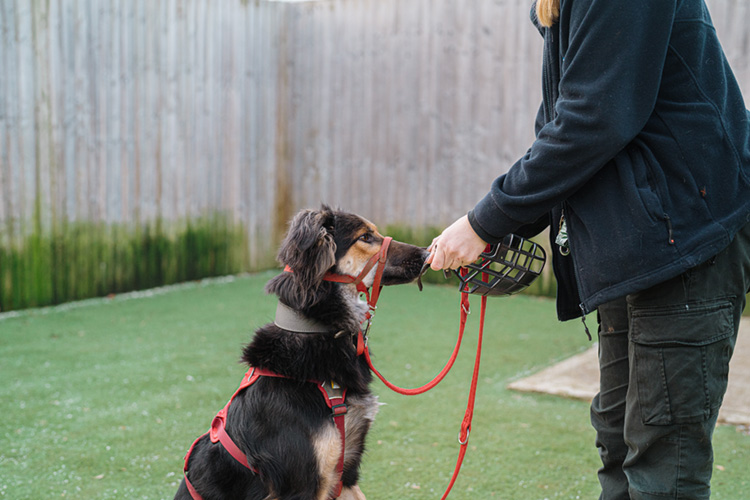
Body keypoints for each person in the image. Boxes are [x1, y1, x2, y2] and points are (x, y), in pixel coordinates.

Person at [427, 0, 750, 498]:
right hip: (633, 247)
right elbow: (558, 124)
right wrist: (503, 224)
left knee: (665, 465)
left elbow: (595, 119)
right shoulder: (561, 9)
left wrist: (483, 222)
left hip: (685, 239)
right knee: (618, 438)